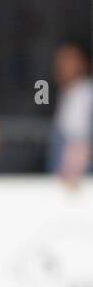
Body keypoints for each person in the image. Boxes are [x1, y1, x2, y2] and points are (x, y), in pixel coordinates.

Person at [49, 41, 92, 185]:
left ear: (83, 63)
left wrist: (72, 173)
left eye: (69, 59)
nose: (62, 65)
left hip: (76, 182)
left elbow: (79, 143)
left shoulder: (82, 94)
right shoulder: (66, 94)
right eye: (60, 60)